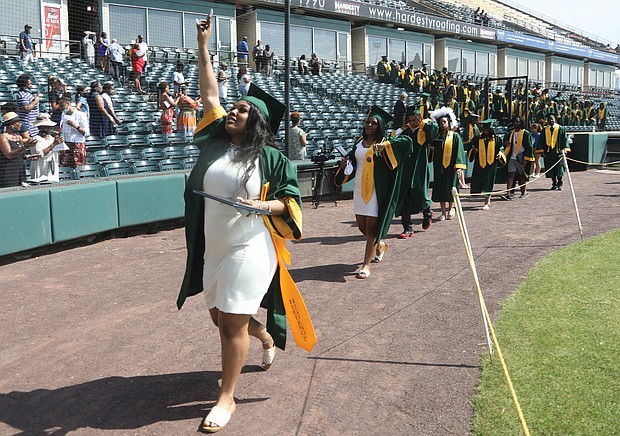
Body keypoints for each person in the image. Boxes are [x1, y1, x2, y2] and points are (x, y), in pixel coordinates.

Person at [178, 17, 313, 433]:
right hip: (215, 246)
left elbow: (292, 203)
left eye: (242, 110)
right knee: (221, 318)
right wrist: (203, 45)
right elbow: (209, 89)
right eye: (233, 107)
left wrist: (261, 203)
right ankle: (264, 336)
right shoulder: (217, 141)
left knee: (231, 322)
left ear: (256, 122)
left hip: (251, 245)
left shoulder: (273, 160)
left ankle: (227, 397)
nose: (233, 111)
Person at [334, 105, 412, 279]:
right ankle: (380, 246)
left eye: (374, 123)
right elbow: (353, 162)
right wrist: (345, 165)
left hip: (376, 190)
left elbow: (407, 143)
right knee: (363, 227)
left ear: (380, 126)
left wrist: (386, 147)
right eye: (367, 122)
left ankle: (366, 265)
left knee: (371, 229)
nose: (369, 125)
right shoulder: (359, 141)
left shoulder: (384, 142)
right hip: (359, 188)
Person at [393, 108, 435, 238]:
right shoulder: (406, 131)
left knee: (421, 193)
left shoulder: (424, 131)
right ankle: (407, 227)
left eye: (414, 120)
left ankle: (427, 214)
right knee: (405, 197)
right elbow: (393, 138)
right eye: (409, 120)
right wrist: (401, 128)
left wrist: (423, 122)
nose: (411, 123)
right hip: (406, 169)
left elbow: (433, 130)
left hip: (419, 168)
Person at [428, 107, 466, 221]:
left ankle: (451, 209)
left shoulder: (455, 136)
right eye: (440, 122)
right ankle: (443, 212)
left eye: (444, 122)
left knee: (451, 188)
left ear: (449, 123)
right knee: (440, 189)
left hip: (451, 167)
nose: (442, 124)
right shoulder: (436, 137)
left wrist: (458, 167)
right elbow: (431, 153)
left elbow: (459, 151)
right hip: (439, 167)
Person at [469, 119, 501, 210]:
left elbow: (501, 148)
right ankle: (480, 196)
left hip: (491, 164)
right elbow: (471, 148)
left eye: (487, 130)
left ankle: (487, 202)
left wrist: (500, 154)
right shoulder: (477, 138)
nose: (485, 131)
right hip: (479, 163)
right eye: (484, 130)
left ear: (491, 130)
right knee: (478, 179)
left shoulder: (496, 139)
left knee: (488, 181)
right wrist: (473, 151)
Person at [499, 115, 534, 200]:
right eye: (514, 121)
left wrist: (526, 159)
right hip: (512, 157)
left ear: (521, 123)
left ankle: (523, 192)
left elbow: (529, 147)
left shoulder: (526, 133)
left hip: (521, 157)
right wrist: (506, 143)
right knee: (510, 175)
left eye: (518, 121)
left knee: (522, 176)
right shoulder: (511, 133)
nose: (516, 123)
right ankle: (509, 193)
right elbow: (505, 143)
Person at [536, 114, 570, 190]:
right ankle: (554, 183)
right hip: (548, 153)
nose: (551, 121)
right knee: (550, 169)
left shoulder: (561, 129)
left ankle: (560, 183)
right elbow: (541, 141)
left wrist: (565, 151)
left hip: (558, 152)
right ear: (547, 121)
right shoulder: (545, 130)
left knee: (559, 168)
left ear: (555, 120)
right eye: (549, 119)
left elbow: (564, 140)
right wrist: (542, 151)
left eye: (552, 119)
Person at [29, 114, 64, 182]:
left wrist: (61, 143)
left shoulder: (52, 138)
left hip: (53, 169)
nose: (48, 128)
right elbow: (40, 154)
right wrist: (54, 144)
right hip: (40, 168)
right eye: (45, 127)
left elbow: (62, 153)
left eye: (49, 127)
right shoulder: (35, 139)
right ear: (39, 127)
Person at [0, 112, 31, 188]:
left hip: (20, 170)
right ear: (11, 124)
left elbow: (20, 155)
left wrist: (29, 156)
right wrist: (24, 147)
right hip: (8, 171)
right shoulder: (3, 137)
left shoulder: (19, 137)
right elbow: (9, 155)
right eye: (18, 122)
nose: (20, 124)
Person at [59, 96, 88, 168]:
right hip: (66, 144)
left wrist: (76, 126)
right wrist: (61, 134)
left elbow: (86, 133)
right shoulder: (63, 115)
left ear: (68, 104)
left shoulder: (81, 115)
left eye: (62, 106)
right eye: (60, 106)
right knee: (65, 166)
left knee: (78, 167)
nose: (61, 108)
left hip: (77, 144)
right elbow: (62, 129)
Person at [15, 74, 40, 138]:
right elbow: (26, 108)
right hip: (27, 124)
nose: (31, 85)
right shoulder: (22, 95)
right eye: (29, 84)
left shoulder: (28, 93)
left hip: (32, 124)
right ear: (24, 84)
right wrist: (35, 101)